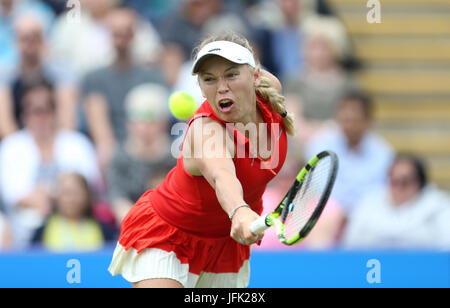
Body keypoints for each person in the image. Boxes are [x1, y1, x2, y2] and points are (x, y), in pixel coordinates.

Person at [108, 32, 295, 288]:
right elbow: (222, 175)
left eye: (231, 74)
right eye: (209, 79)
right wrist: (239, 210)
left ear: (255, 76)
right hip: (168, 235)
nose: (221, 87)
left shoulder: (270, 92)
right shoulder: (206, 130)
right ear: (200, 87)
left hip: (223, 246)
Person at [0, 79, 101, 248]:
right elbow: (14, 196)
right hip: (22, 229)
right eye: (35, 111)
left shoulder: (78, 144)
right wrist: (62, 194)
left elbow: (89, 189)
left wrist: (49, 196)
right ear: (24, 115)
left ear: (55, 112)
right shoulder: (11, 147)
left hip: (76, 223)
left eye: (47, 109)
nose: (41, 117)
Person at [82, 7, 166, 172]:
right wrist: (119, 156)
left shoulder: (153, 77)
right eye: (116, 34)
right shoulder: (94, 78)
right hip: (117, 152)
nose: (121, 40)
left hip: (148, 145)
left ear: (134, 35)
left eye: (125, 33)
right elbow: (100, 129)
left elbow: (158, 123)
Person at [305, 91, 394, 215]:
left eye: (354, 112)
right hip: (328, 213)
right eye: (343, 112)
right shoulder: (320, 144)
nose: (348, 116)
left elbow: (380, 192)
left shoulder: (383, 152)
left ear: (368, 120)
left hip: (367, 215)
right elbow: (319, 188)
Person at [342, 154, 450, 250]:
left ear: (419, 183)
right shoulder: (368, 204)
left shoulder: (439, 206)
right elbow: (351, 244)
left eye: (405, 182)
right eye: (394, 182)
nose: (398, 188)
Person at [0, 12, 78, 138]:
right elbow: (5, 124)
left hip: (55, 142)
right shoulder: (4, 76)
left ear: (44, 40)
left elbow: (67, 122)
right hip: (16, 145)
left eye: (35, 38)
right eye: (24, 39)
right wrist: (20, 149)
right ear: (15, 42)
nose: (29, 45)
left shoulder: (61, 73)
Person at [107, 83, 176, 224]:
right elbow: (119, 203)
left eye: (151, 118)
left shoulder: (176, 156)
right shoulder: (119, 159)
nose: (143, 126)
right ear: (128, 122)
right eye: (137, 118)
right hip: (133, 231)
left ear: (163, 122)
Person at [32, 172, 116, 252]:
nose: (72, 199)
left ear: (87, 196)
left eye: (76, 193)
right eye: (67, 193)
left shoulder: (104, 232)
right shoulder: (41, 233)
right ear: (57, 197)